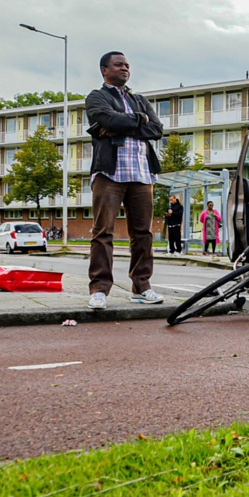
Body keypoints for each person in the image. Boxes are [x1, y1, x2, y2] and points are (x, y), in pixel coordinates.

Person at [85, 51, 165, 309]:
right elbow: (107, 119)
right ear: (104, 70)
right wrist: (137, 121)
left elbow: (156, 129)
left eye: (127, 65)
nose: (125, 68)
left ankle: (142, 287)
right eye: (119, 64)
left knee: (143, 234)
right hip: (110, 172)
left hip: (142, 174)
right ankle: (99, 290)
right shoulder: (96, 97)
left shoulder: (139, 99)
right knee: (102, 232)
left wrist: (125, 123)